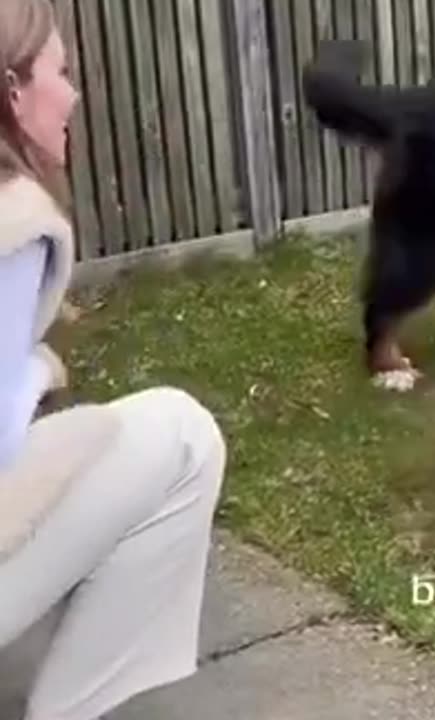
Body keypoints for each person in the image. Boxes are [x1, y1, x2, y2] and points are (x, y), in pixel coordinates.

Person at [0, 1, 228, 718]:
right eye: (60, 73)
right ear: (11, 88)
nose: (73, 95)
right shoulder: (13, 219)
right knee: (181, 432)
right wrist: (35, 370)